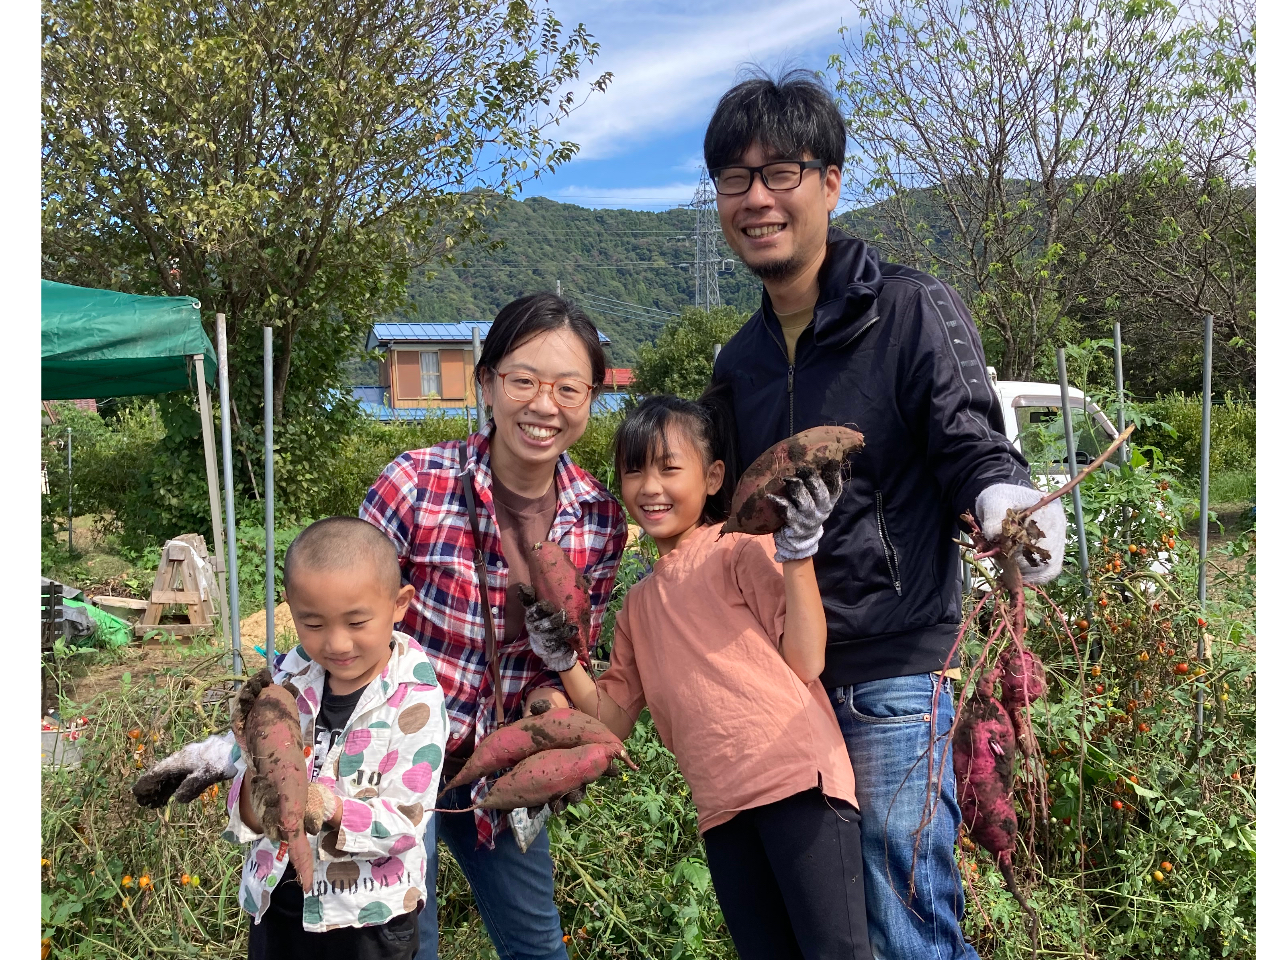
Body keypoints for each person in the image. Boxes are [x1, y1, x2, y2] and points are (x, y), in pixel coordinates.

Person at [135, 293, 628, 960]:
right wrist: (250, 738)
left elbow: (569, 654)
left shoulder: (597, 516)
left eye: (569, 388)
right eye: (523, 380)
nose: (545, 405)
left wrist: (550, 710)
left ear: (591, 397)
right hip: (386, 755)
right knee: (400, 941)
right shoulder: (414, 484)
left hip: (499, 763)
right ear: (487, 383)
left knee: (536, 942)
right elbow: (341, 616)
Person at [702, 72, 1067, 960]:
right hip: (784, 678)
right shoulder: (738, 359)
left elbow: (967, 439)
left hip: (891, 674)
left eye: (781, 172)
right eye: (733, 179)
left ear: (830, 182)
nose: (757, 198)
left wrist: (1004, 501)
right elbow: (719, 514)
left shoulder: (905, 307)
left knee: (903, 922)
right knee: (829, 930)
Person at [521, 392, 874, 960]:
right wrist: (564, 660)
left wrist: (799, 554)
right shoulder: (635, 606)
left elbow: (805, 661)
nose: (649, 487)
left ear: (712, 477)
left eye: (669, 467)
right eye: (633, 470)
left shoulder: (740, 550)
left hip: (798, 785)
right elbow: (609, 719)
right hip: (721, 813)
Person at [224, 516, 447, 960]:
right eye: (314, 624)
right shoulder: (287, 679)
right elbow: (244, 803)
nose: (337, 643)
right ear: (289, 608)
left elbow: (407, 822)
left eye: (356, 622)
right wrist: (253, 758)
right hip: (279, 904)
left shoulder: (415, 702)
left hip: (367, 917)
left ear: (400, 604)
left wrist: (325, 806)